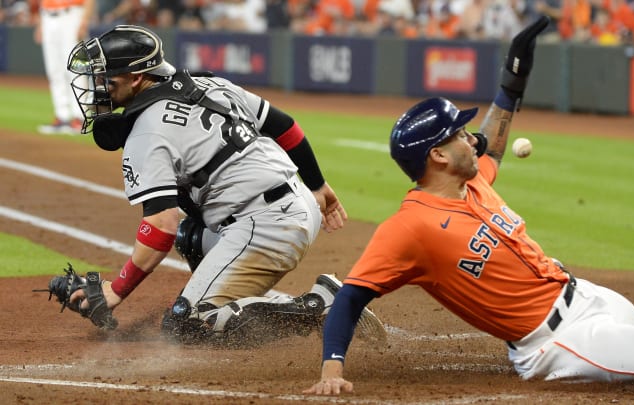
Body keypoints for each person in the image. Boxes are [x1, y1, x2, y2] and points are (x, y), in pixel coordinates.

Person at [304, 15, 634, 395]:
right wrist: (332, 370)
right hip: (555, 341)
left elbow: (491, 142)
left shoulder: (472, 180)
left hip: (589, 297)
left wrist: (513, 78)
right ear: (438, 155)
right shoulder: (410, 228)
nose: (472, 140)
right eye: (460, 134)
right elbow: (352, 296)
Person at [63, 24, 386, 346]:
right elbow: (284, 126)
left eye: (108, 78)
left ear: (136, 77)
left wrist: (115, 291)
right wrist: (318, 186)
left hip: (265, 227)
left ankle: (319, 305)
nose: (100, 87)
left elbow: (161, 225)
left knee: (187, 329)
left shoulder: (147, 132)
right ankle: (220, 294)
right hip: (296, 202)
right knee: (190, 236)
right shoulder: (208, 82)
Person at [35, 0, 94, 135]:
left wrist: (84, 21)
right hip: (47, 16)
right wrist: (39, 24)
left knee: (76, 68)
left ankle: (80, 118)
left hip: (72, 15)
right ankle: (62, 117)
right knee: (54, 70)